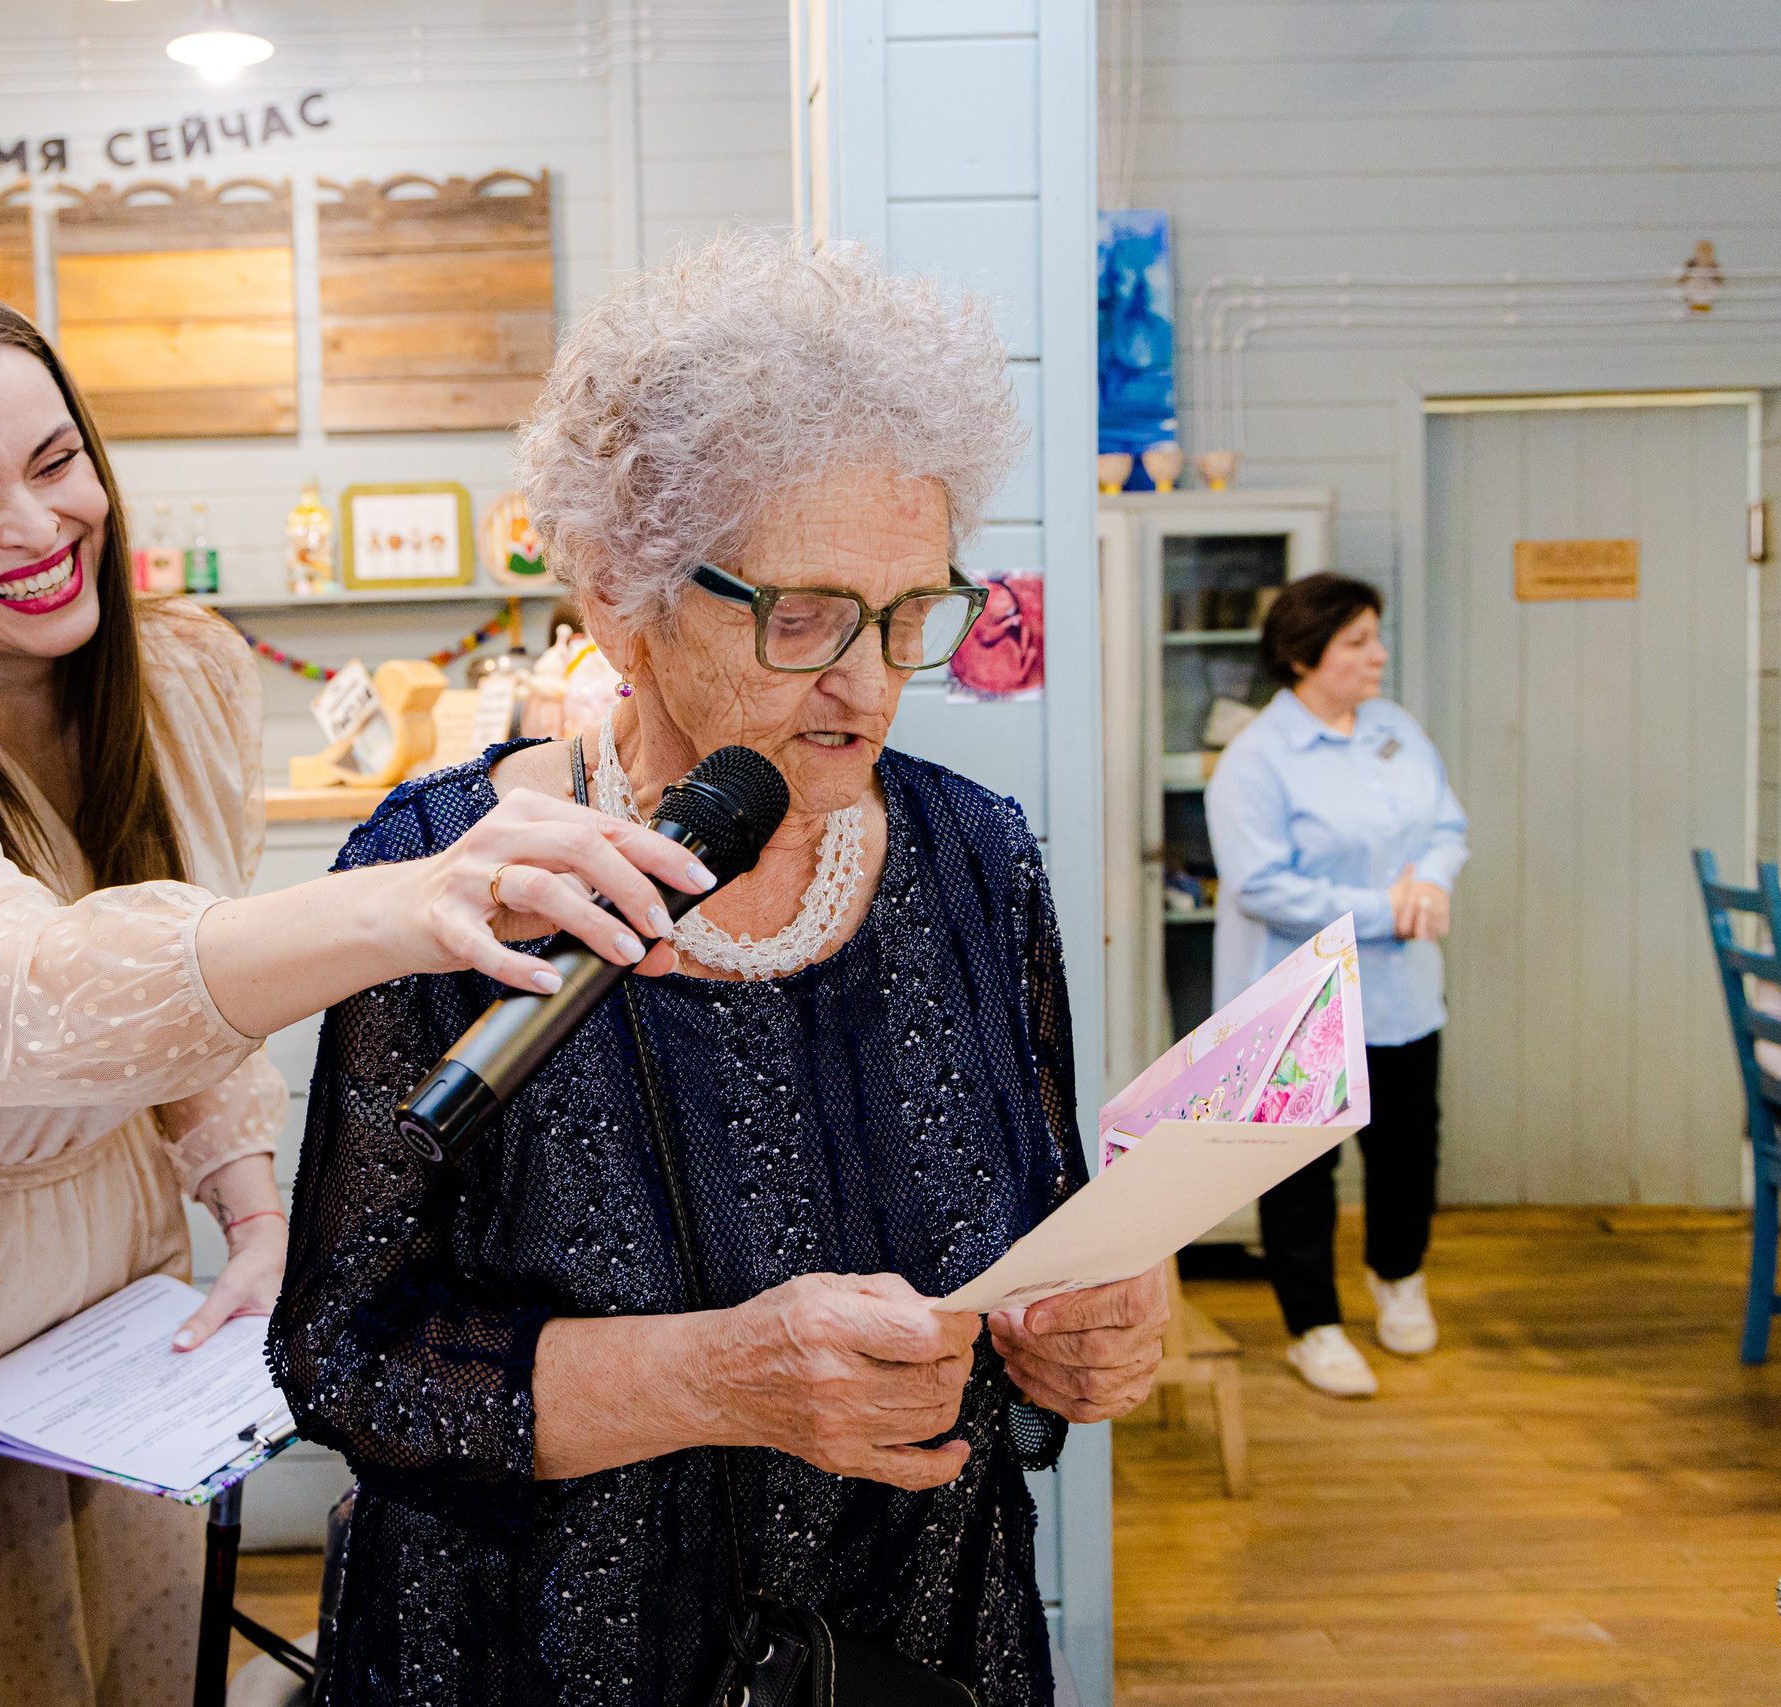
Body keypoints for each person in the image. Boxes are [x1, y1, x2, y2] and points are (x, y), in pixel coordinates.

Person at [0, 271, 703, 1707]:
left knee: (114, 1653)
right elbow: (30, 998)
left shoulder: (177, 675)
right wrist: (404, 905)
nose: (42, 528)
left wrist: (246, 1198)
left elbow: (169, 1001)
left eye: (58, 464)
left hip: (94, 1268)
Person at [269, 234, 1170, 1706]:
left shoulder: (977, 858)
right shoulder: (449, 872)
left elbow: (1046, 1234)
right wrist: (717, 1375)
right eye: (803, 616)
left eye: (909, 613)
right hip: (539, 1661)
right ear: (624, 595)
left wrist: (1093, 1327)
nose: (868, 681)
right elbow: (347, 1356)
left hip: (911, 1654)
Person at [1206, 572, 1469, 1397]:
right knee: (1297, 1168)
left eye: (1375, 635)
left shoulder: (1394, 728)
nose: (1378, 653)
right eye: (1357, 640)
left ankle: (1400, 1278)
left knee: (1404, 1155)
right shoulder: (1256, 759)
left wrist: (1433, 881)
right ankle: (1312, 1325)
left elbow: (1447, 825)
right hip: (1299, 997)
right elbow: (1261, 885)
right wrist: (1387, 907)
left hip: (1404, 993)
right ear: (1301, 652)